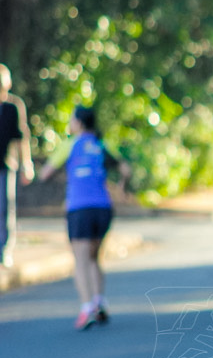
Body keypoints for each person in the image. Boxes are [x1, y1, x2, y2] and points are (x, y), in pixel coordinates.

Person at [38, 106, 129, 330]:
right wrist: (122, 187)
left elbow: (44, 174)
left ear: (78, 123)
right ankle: (99, 302)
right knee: (94, 257)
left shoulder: (69, 145)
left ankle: (87, 308)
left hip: (79, 209)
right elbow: (125, 169)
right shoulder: (101, 144)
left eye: (71, 119)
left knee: (80, 260)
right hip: (103, 208)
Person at [0, 64, 34, 268]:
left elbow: (21, 138)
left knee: (5, 208)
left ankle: (4, 250)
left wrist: (26, 164)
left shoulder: (13, 107)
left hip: (6, 165)